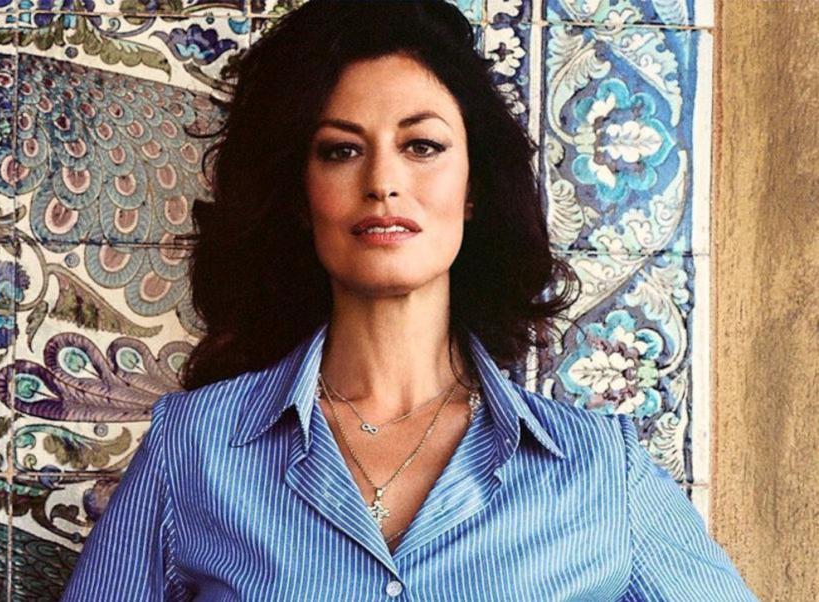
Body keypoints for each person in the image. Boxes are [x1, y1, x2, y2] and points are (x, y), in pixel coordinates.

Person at [61, 0, 756, 599]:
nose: (383, 181)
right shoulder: (195, 449)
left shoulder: (600, 470)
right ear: (300, 195)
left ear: (474, 186)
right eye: (340, 150)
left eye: (422, 145)